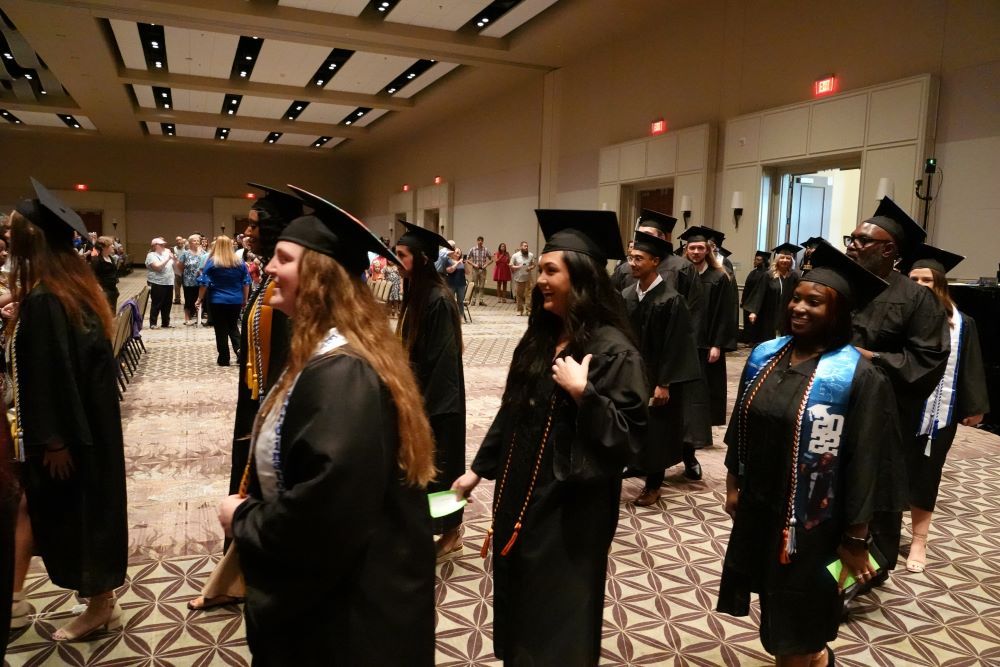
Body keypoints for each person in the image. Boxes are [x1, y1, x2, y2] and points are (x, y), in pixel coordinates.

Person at [217, 187, 437, 666]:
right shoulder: (326, 353)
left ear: (319, 278)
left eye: (283, 259)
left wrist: (244, 519)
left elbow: (328, 510)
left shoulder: (343, 374)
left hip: (351, 615)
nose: (268, 268)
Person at [452, 209, 647, 665]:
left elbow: (631, 439)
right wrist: (477, 471)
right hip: (521, 498)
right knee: (521, 606)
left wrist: (585, 395)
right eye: (539, 269)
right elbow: (513, 409)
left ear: (581, 279)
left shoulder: (613, 350)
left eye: (550, 270)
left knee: (558, 619)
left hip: (571, 513)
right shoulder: (541, 338)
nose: (540, 279)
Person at [718, 239, 898, 667]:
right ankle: (816, 657)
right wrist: (732, 485)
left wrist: (856, 539)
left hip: (816, 523)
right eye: (796, 298)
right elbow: (741, 425)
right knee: (775, 598)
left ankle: (809, 655)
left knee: (798, 615)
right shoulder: (766, 355)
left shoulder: (858, 376)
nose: (798, 307)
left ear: (838, 313)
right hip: (763, 507)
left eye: (813, 302)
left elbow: (866, 463)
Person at [6, 179, 127, 641]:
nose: (7, 238)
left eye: (13, 231)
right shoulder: (70, 288)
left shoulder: (47, 299)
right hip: (90, 427)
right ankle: (96, 600)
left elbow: (52, 375)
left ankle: (100, 606)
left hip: (69, 438)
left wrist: (55, 440)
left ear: (30, 240)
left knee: (80, 515)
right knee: (76, 511)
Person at [188, 184, 302, 611]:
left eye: (255, 225)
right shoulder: (267, 277)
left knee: (262, 488)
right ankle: (236, 575)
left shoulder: (288, 287)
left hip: (271, 409)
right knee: (246, 485)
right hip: (254, 401)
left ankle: (253, 578)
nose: (247, 232)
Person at [845, 195, 949, 591]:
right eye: (851, 238)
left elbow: (927, 359)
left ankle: (865, 572)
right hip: (832, 406)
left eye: (862, 240)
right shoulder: (843, 287)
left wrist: (870, 357)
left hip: (883, 416)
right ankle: (827, 566)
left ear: (889, 250)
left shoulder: (917, 299)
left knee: (875, 493)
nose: (852, 246)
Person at [903, 244, 989, 573]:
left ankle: (919, 541)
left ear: (939, 283)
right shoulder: (899, 316)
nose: (920, 285)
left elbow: (971, 364)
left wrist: (975, 405)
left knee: (926, 475)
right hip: (898, 410)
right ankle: (880, 537)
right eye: (914, 279)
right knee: (888, 473)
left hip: (938, 415)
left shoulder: (962, 323)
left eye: (927, 279)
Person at [395, 221, 466, 558]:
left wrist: (423, 406)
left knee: (444, 470)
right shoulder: (418, 294)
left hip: (440, 402)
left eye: (402, 255)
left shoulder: (438, 299)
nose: (396, 261)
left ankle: (451, 533)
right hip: (420, 396)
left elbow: (443, 361)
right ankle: (422, 528)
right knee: (421, 471)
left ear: (422, 260)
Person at [622, 231, 702, 507]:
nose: (632, 264)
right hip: (633, 374)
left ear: (655, 261)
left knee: (657, 430)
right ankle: (636, 465)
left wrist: (665, 382)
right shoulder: (627, 295)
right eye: (631, 258)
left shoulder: (671, 299)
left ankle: (654, 485)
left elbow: (677, 344)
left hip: (658, 376)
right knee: (633, 423)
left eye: (639, 259)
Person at [680, 226, 738, 452]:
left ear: (708, 250)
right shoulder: (680, 274)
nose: (696, 252)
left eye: (700, 248)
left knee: (702, 392)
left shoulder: (719, 277)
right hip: (683, 341)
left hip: (706, 343)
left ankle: (698, 437)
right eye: (692, 248)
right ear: (686, 249)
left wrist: (717, 344)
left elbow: (725, 313)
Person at [197, 235, 250, 366]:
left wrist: (199, 298)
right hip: (235, 299)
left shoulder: (212, 262)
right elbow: (246, 283)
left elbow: (204, 283)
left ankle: (224, 358)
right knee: (233, 326)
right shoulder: (240, 263)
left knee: (220, 329)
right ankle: (240, 352)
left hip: (217, 300)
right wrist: (244, 299)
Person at [742, 243, 802, 345]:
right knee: (769, 340)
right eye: (782, 257)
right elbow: (760, 293)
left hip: (787, 314)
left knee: (785, 341)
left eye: (788, 258)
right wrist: (754, 312)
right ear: (777, 259)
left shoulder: (794, 276)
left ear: (791, 260)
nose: (785, 260)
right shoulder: (769, 275)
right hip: (770, 314)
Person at [145, 236, 175, 328]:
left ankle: (165, 323)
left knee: (167, 304)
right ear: (154, 246)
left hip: (169, 282)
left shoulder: (166, 253)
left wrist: (173, 258)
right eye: (161, 245)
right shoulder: (151, 255)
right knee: (157, 303)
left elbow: (173, 265)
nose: (163, 246)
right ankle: (153, 323)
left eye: (164, 244)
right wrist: (168, 259)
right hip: (157, 283)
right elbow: (157, 268)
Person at [175, 234, 205, 326]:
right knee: (188, 300)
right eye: (194, 240)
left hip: (200, 281)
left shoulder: (203, 253)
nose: (197, 242)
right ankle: (187, 318)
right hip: (188, 281)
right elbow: (179, 266)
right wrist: (186, 273)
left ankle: (198, 319)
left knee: (199, 299)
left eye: (198, 240)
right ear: (190, 242)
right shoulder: (185, 253)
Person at [741, 250, 770, 344]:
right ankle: (748, 339)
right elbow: (746, 287)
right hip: (748, 301)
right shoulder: (753, 272)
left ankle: (755, 340)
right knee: (748, 323)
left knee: (757, 323)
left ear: (764, 261)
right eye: (755, 259)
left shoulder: (767, 273)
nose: (755, 261)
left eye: (758, 260)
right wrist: (743, 300)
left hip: (759, 302)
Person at [90, 235, 119, 311]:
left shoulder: (110, 258)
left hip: (113, 290)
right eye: (110, 245)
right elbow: (92, 277)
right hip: (104, 291)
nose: (113, 246)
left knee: (113, 313)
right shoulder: (96, 260)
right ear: (103, 247)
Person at [510, 240, 536, 316]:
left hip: (528, 278)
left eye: (527, 246)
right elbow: (510, 265)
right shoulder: (515, 255)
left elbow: (534, 264)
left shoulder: (530, 255)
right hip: (519, 278)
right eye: (525, 246)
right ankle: (519, 310)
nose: (526, 247)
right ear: (521, 247)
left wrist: (530, 267)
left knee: (529, 295)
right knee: (519, 295)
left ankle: (529, 310)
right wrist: (518, 267)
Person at [468, 236, 492, 305]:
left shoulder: (485, 250)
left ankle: (481, 301)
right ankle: (473, 300)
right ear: (477, 241)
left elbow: (491, 259)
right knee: (475, 285)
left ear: (483, 241)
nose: (480, 242)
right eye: (479, 240)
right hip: (475, 270)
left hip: (483, 270)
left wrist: (486, 265)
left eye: (481, 240)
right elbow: (467, 259)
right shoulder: (473, 249)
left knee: (482, 286)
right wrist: (474, 264)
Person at [172, 236, 186, 303]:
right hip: (177, 270)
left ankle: (187, 300)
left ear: (182, 240)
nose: (179, 241)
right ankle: (177, 299)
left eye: (180, 240)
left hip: (185, 269)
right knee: (177, 286)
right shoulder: (173, 249)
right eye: (177, 240)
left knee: (185, 286)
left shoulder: (186, 248)